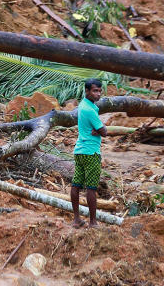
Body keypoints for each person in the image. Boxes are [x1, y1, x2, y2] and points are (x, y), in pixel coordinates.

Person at [71, 77, 107, 227]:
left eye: (99, 91)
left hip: (79, 151)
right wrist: (100, 130)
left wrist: (98, 130)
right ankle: (93, 222)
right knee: (91, 188)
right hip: (91, 152)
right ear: (87, 91)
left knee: (76, 184)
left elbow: (98, 129)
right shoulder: (90, 110)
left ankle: (76, 219)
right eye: (95, 91)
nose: (98, 94)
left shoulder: (83, 105)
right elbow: (104, 131)